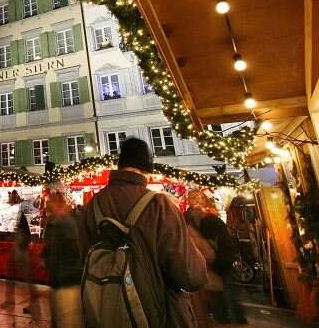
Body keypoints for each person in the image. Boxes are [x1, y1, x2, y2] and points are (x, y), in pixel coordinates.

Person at [77, 138, 208, 327]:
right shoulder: (159, 205)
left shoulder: (92, 206)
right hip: (158, 315)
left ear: (120, 164)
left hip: (105, 313)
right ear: (147, 168)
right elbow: (191, 275)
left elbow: (85, 258)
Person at [200, 213, 248, 324]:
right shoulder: (220, 228)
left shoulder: (207, 230)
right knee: (231, 296)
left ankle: (226, 321)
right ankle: (238, 321)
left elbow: (210, 254)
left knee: (221, 298)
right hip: (225, 265)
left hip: (217, 267)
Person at [43, 192, 80, 327]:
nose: (47, 206)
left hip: (68, 282)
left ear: (59, 204)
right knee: (60, 320)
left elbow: (73, 251)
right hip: (58, 280)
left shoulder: (66, 223)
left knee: (67, 321)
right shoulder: (53, 223)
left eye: (50, 202)